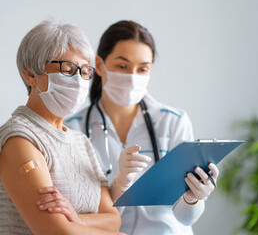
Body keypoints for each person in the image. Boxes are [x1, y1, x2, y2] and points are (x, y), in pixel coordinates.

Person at [64, 20, 219, 235]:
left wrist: (192, 198)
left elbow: (185, 219)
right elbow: (78, 214)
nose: (132, 76)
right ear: (99, 65)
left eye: (142, 68)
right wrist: (119, 183)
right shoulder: (72, 129)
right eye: (122, 66)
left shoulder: (173, 122)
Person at [0, 20, 123, 235]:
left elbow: (114, 220)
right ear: (31, 74)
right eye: (67, 70)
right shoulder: (19, 140)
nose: (78, 80)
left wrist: (74, 220)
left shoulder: (81, 143)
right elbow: (56, 232)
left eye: (85, 72)